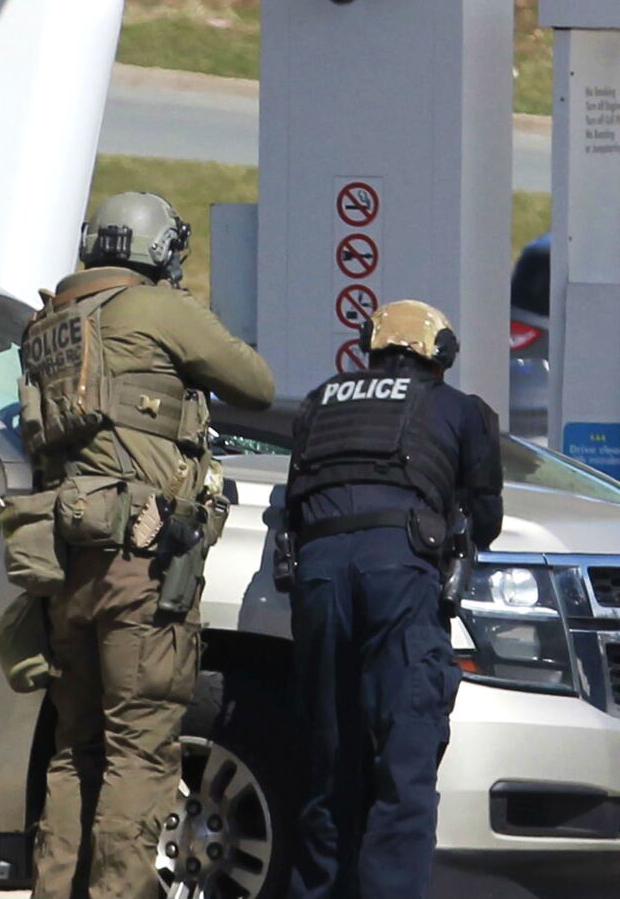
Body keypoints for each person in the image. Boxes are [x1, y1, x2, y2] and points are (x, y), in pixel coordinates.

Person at [21, 192, 275, 898]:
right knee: (141, 750)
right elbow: (256, 383)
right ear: (157, 250)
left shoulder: (50, 322)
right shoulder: (157, 309)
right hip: (142, 562)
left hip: (67, 562)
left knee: (75, 750)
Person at [281, 300, 502, 899]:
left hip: (320, 578)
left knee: (329, 766)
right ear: (440, 355)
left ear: (371, 348)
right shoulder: (460, 410)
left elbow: (296, 502)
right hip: (400, 575)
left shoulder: (320, 401)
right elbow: (485, 519)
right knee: (402, 766)